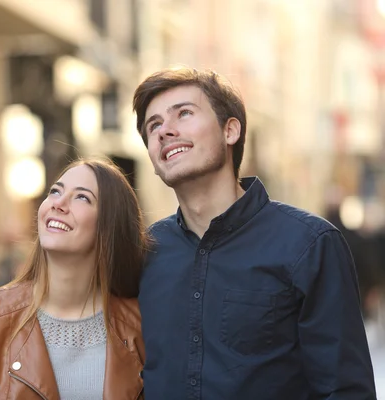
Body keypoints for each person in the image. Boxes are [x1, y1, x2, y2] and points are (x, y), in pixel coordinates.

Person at [132, 67, 376, 399]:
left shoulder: (308, 245)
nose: (165, 131)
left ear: (230, 130)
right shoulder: (145, 252)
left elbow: (345, 390)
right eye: (153, 125)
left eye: (184, 114)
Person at [0, 158, 148, 400]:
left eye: (82, 197)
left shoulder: (139, 324)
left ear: (110, 225)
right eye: (55, 191)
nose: (58, 204)